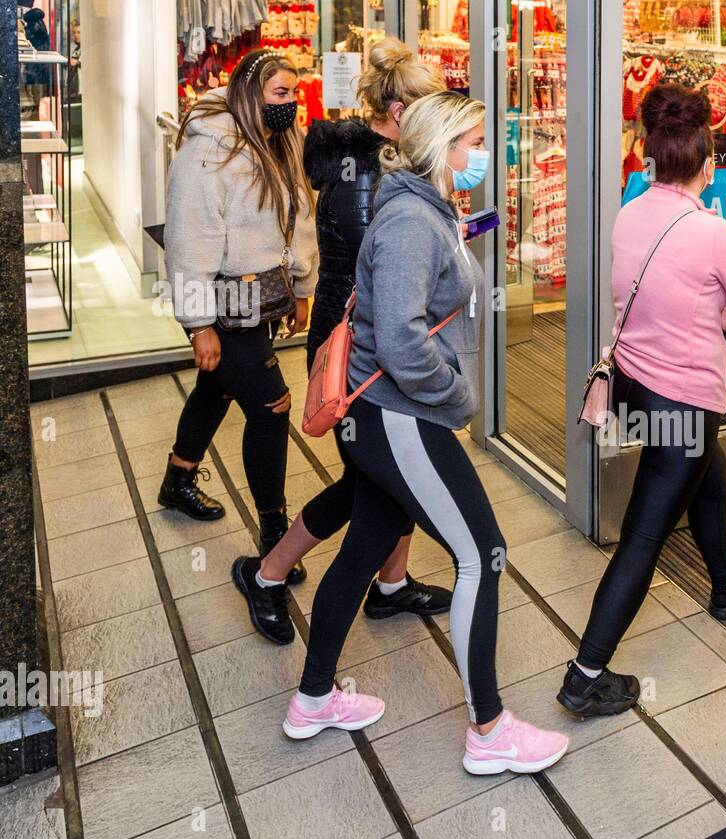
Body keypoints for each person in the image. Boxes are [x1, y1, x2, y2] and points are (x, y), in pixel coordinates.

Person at [283, 91, 569, 776]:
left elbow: (422, 277)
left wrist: (485, 237)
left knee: (364, 548)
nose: (483, 155)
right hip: (399, 415)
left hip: (381, 416)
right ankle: (490, 730)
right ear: (444, 148)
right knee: (484, 553)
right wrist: (457, 396)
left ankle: (313, 698)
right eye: (473, 141)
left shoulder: (421, 206)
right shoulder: (412, 219)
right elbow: (405, 341)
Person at [555, 83, 726, 719]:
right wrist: (719, 310)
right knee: (645, 535)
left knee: (710, 469)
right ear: (709, 163)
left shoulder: (630, 211)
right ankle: (585, 672)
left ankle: (725, 581)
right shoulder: (713, 233)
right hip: (685, 397)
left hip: (637, 386)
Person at [232, 39, 451, 644]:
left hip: (363, 336)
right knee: (371, 481)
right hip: (360, 344)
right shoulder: (380, 177)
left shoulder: (369, 162)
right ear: (404, 112)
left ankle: (390, 585)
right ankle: (268, 572)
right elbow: (384, 272)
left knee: (389, 476)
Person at [159, 49, 318, 589]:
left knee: (218, 388)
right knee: (272, 408)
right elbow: (187, 241)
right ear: (251, 94)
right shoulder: (207, 153)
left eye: (294, 94)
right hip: (225, 305)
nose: (290, 105)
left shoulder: (277, 141)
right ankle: (274, 533)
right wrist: (198, 323)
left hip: (263, 298)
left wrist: (302, 285)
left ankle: (177, 480)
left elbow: (298, 216)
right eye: (280, 94)